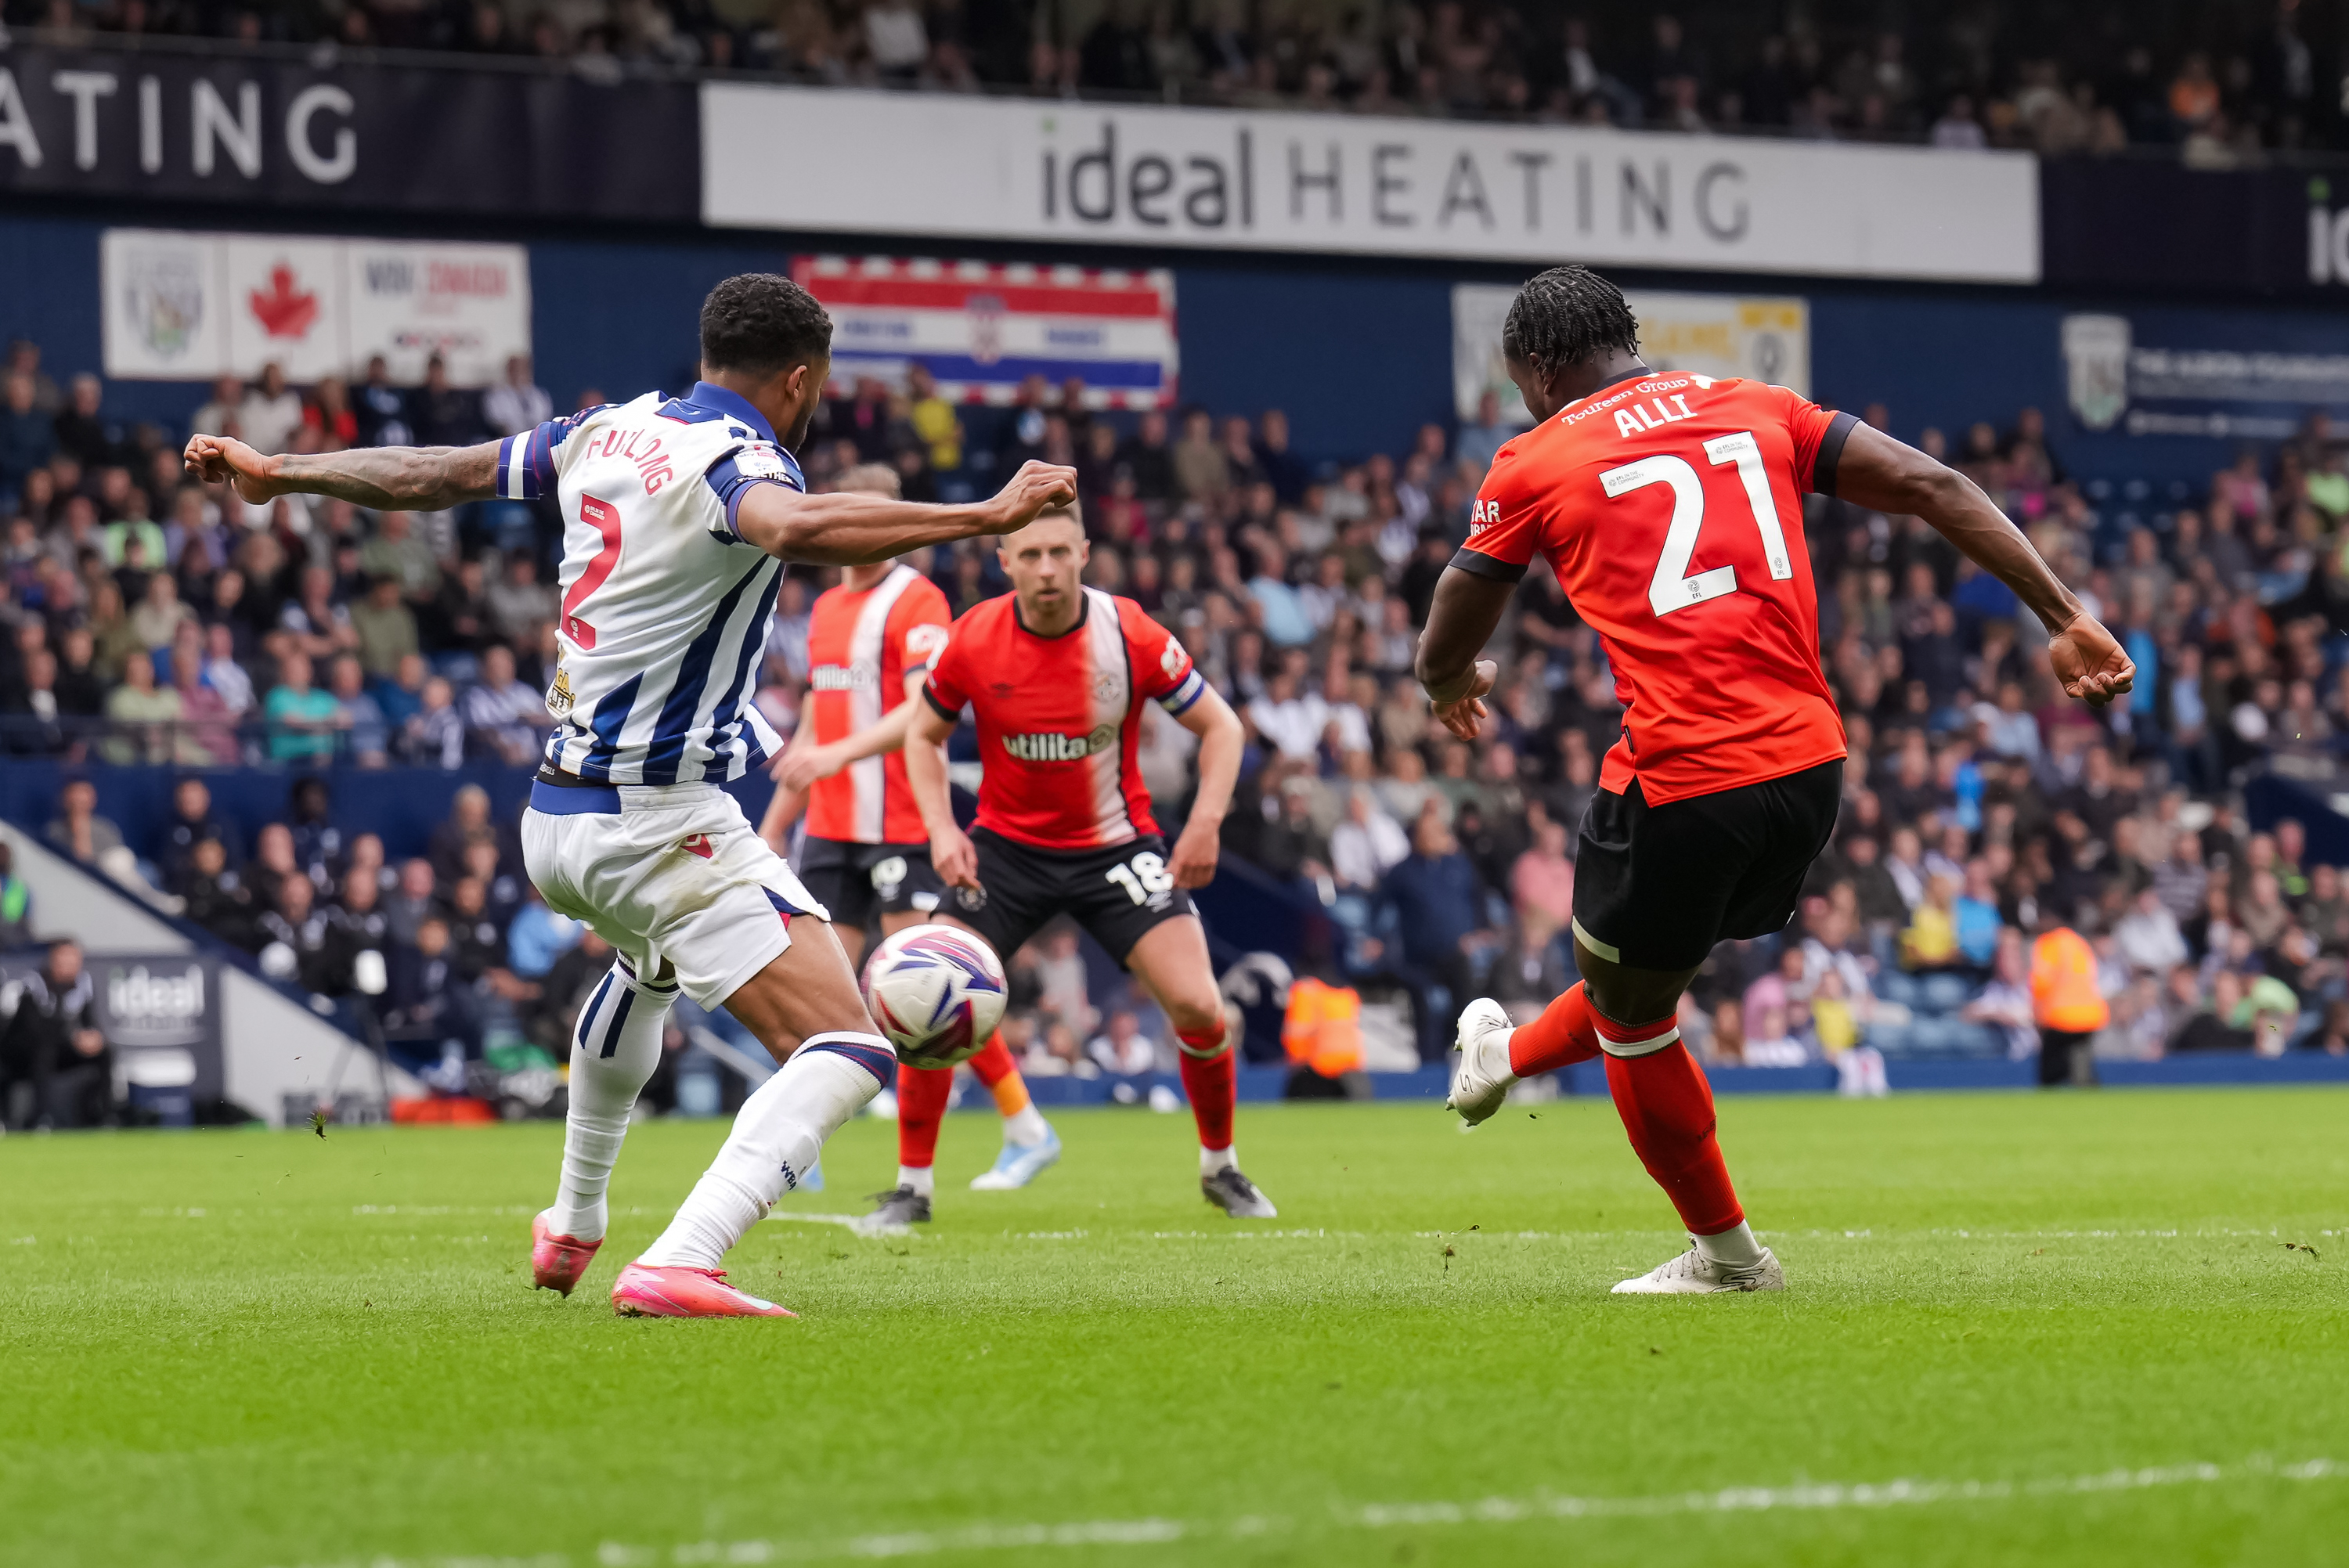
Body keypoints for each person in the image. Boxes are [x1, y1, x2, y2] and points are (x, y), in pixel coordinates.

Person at [186, 271, 1078, 1318]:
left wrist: (281, 472)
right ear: (801, 380)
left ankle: (572, 1220)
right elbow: (793, 527)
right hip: (656, 819)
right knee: (850, 1043)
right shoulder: (739, 460)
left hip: (557, 815)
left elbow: (439, 471)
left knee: (647, 967)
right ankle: (684, 1256)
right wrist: (986, 512)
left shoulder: (605, 429)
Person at [1426, 265, 2132, 1294]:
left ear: (1537, 370)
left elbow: (1456, 609)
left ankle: (1729, 1257)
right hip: (1810, 771)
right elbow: (1937, 485)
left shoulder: (1537, 457)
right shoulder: (1759, 406)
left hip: (1681, 777)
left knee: (1634, 1018)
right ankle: (1499, 1058)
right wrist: (2064, 613)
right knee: (1640, 979)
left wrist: (1447, 680)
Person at [888, 502, 1272, 1224]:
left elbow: (1222, 726)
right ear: (1004, 562)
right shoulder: (974, 637)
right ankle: (912, 1188)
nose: (1047, 569)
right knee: (929, 994)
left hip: (1116, 848)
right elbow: (922, 735)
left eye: (1059, 552)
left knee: (1200, 1006)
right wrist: (941, 828)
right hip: (1004, 850)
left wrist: (1204, 825)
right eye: (1031, 554)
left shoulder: (1129, 632)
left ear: (1085, 554)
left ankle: (1221, 1167)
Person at [758, 463, 1061, 1204]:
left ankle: (1024, 1125)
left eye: (876, 518)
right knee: (816, 992)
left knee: (929, 990)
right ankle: (802, 1136)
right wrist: (774, 827)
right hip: (831, 828)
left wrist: (836, 755)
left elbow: (926, 711)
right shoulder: (826, 610)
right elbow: (815, 727)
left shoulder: (918, 599)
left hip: (899, 825)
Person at [0, 939, 110, 1129]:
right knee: (44, 1051)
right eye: (64, 959)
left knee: (104, 1052)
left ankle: (101, 1116)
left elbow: (89, 1021)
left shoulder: (83, 986)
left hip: (61, 1048)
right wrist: (73, 1037)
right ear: (52, 960)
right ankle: (41, 1119)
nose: (69, 965)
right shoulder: (32, 985)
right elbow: (33, 1030)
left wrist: (92, 1037)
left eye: (74, 959)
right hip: (22, 1054)